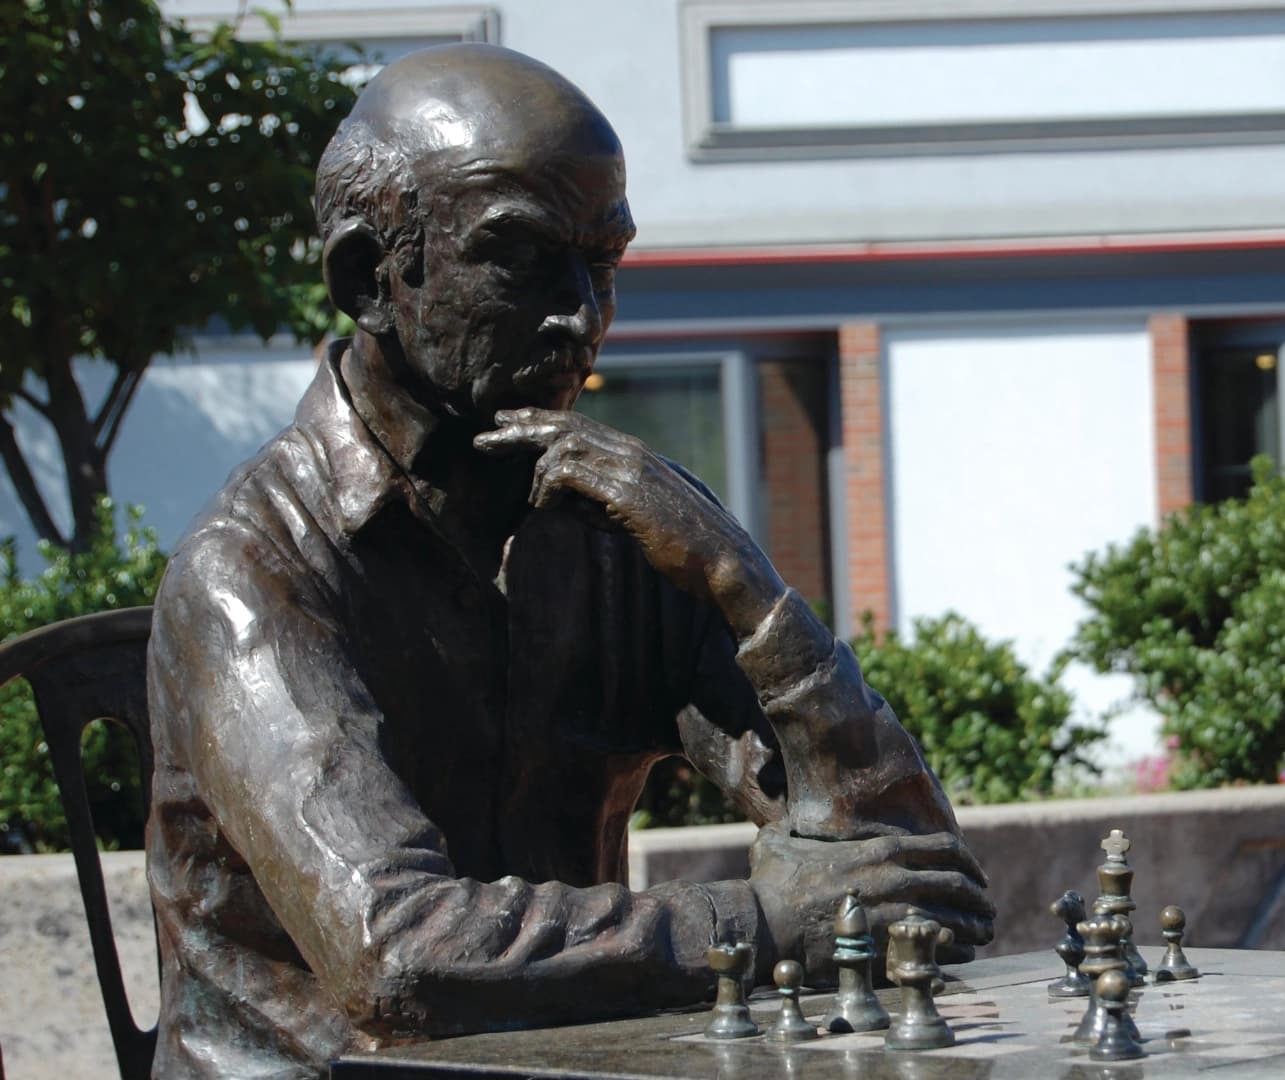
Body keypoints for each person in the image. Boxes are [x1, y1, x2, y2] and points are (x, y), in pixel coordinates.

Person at [144, 43, 993, 1078]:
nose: (584, 317)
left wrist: (741, 582)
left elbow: (913, 873)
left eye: (604, 265)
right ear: (371, 278)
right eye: (522, 258)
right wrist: (765, 923)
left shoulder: (620, 532)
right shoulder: (249, 570)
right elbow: (397, 955)